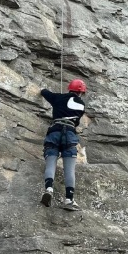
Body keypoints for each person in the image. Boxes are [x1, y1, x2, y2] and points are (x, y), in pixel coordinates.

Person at [40, 79, 87, 209]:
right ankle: (69, 200)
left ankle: (49, 189)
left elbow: (44, 92)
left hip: (54, 132)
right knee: (69, 169)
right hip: (70, 135)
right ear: (81, 92)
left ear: (69, 88)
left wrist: (55, 97)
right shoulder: (81, 105)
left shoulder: (57, 98)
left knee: (51, 163)